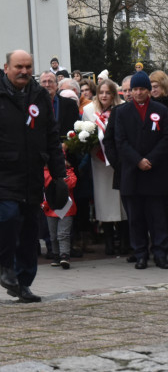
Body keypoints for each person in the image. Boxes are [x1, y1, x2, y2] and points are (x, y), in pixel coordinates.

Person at [0, 49, 66, 302]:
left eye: (28, 66)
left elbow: (51, 134)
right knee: (8, 215)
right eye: (19, 66)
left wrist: (59, 174)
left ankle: (24, 282)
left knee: (29, 230)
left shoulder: (38, 95)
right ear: (6, 68)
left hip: (31, 173)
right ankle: (5, 263)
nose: (24, 71)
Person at [112, 70, 168, 269]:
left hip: (155, 171)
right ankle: (141, 253)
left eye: (142, 89)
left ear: (148, 90)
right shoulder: (121, 112)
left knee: (158, 217)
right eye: (134, 89)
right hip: (132, 172)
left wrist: (150, 159)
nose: (137, 93)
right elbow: (120, 141)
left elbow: (165, 138)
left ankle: (160, 253)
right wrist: (138, 160)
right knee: (135, 218)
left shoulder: (161, 110)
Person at [82, 79, 127, 254]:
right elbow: (85, 134)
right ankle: (109, 243)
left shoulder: (122, 107)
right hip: (100, 162)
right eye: (101, 93)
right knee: (104, 202)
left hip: (118, 162)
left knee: (121, 202)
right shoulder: (88, 110)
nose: (104, 96)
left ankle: (124, 242)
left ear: (113, 94)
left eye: (108, 93)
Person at [43, 162, 77, 269]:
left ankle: (64, 256)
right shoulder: (43, 173)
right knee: (53, 235)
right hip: (50, 208)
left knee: (63, 234)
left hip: (67, 207)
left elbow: (72, 182)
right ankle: (56, 255)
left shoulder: (68, 171)